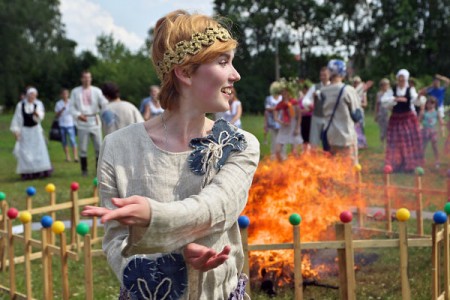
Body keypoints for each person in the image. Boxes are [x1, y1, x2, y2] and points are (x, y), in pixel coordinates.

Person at [81, 10, 260, 300]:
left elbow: (215, 209)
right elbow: (116, 240)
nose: (235, 74)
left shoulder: (240, 144)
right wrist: (174, 262)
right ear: (186, 72)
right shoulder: (117, 146)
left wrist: (153, 216)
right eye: (223, 61)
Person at [381, 69, 423, 172]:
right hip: (396, 119)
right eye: (399, 79)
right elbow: (384, 101)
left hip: (407, 119)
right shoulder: (392, 90)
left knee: (408, 141)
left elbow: (416, 101)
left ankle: (410, 165)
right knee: (395, 142)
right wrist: (395, 99)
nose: (401, 81)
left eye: (403, 79)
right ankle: (395, 164)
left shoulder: (410, 90)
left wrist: (419, 96)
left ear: (406, 79)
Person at [321, 60, 361, 164]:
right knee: (348, 169)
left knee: (333, 169)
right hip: (345, 136)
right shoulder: (347, 90)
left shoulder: (323, 91)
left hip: (329, 135)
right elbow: (357, 116)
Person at [69, 70, 108, 176]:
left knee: (99, 147)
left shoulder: (96, 91)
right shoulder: (75, 91)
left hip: (94, 120)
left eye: (89, 77)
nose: (87, 80)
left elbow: (104, 103)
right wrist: (78, 115)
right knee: (83, 148)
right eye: (85, 77)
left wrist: (107, 109)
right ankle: (84, 170)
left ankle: (98, 170)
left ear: (91, 79)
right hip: (82, 121)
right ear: (81, 79)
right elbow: (71, 106)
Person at [10, 87, 52, 180]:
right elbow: (17, 119)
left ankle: (40, 171)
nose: (32, 96)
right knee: (26, 152)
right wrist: (16, 131)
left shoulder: (38, 104)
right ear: (27, 95)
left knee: (39, 151)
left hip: (36, 131)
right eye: (30, 94)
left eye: (34, 95)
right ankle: (27, 173)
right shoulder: (21, 105)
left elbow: (41, 116)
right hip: (25, 131)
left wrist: (37, 115)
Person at [302, 67, 330, 147]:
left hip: (328, 118)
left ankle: (328, 158)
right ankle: (314, 158)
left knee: (328, 142)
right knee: (314, 142)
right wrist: (309, 104)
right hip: (316, 116)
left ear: (329, 75)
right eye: (321, 75)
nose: (323, 77)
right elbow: (305, 99)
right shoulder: (315, 87)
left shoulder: (332, 86)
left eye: (325, 75)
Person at [274, 87, 302, 160]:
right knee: (277, 151)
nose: (284, 94)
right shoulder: (279, 104)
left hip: (293, 127)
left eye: (286, 92)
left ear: (289, 93)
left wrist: (297, 128)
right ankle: (282, 166)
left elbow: (299, 116)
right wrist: (282, 122)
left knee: (294, 152)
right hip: (284, 128)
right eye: (283, 92)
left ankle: (296, 167)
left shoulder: (294, 102)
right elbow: (276, 117)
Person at [55, 88, 79, 162]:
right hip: (62, 125)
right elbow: (56, 115)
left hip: (70, 124)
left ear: (68, 94)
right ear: (61, 95)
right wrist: (61, 110)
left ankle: (75, 157)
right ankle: (68, 157)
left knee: (73, 140)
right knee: (64, 141)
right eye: (64, 94)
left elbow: (76, 112)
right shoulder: (58, 103)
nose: (65, 95)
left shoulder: (71, 102)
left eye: (66, 93)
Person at [420, 97, 444, 168]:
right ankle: (421, 160)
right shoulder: (424, 112)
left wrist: (442, 129)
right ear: (426, 104)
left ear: (435, 104)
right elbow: (418, 121)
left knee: (435, 147)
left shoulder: (437, 113)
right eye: (428, 103)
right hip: (425, 131)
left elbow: (441, 121)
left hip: (433, 131)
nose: (430, 105)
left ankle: (437, 161)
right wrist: (420, 126)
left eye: (432, 103)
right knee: (423, 146)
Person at [264, 82, 284, 158]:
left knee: (282, 139)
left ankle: (282, 155)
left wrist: (274, 108)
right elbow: (267, 108)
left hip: (282, 121)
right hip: (272, 122)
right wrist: (277, 108)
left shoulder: (282, 98)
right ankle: (273, 156)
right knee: (274, 140)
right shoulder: (269, 99)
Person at [352, 76, 368, 149]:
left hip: (359, 112)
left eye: (358, 82)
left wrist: (357, 103)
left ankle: (362, 144)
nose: (356, 84)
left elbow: (365, 104)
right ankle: (355, 143)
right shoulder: (351, 91)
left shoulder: (363, 93)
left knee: (360, 128)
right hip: (353, 112)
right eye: (355, 82)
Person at [374, 78, 390, 146]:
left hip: (388, 113)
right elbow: (377, 104)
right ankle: (382, 143)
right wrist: (376, 114)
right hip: (381, 113)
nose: (385, 86)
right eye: (383, 85)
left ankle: (388, 143)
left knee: (388, 129)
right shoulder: (379, 94)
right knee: (382, 129)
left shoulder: (390, 94)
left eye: (386, 85)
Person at [298, 83, 313, 151]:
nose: (305, 91)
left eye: (306, 90)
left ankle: (309, 149)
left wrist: (305, 110)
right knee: (303, 134)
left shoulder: (311, 99)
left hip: (310, 118)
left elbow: (311, 108)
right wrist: (304, 110)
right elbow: (299, 109)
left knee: (309, 134)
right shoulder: (301, 100)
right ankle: (304, 149)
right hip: (303, 118)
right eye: (304, 90)